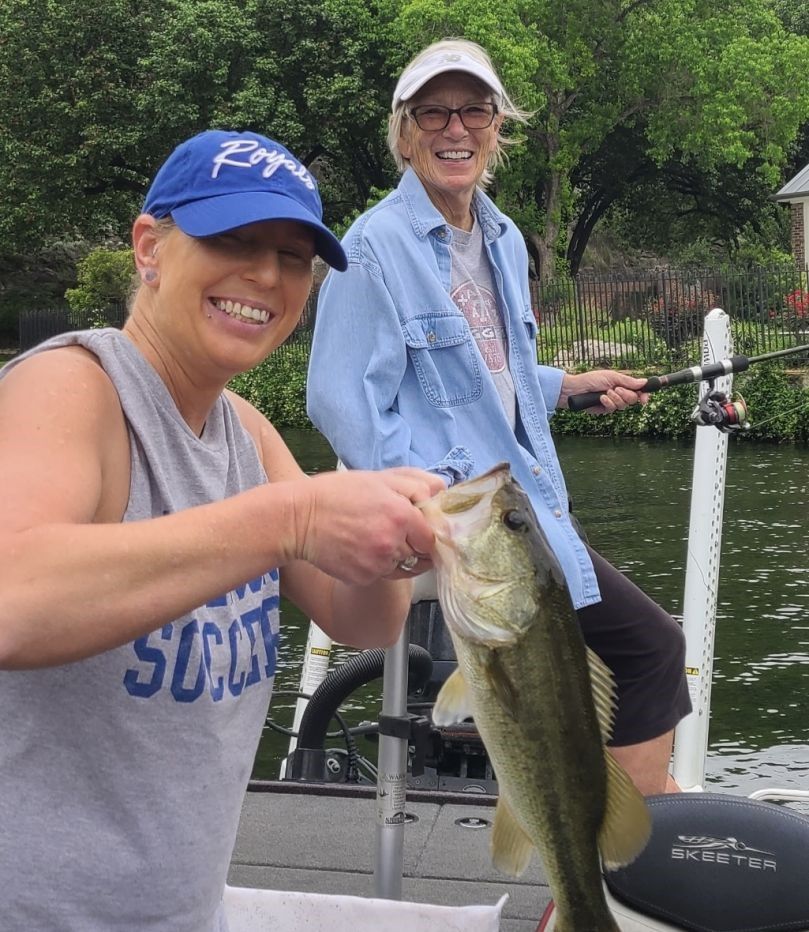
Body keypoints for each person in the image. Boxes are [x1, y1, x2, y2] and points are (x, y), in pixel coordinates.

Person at [0, 129, 445, 931]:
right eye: (233, 239)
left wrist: (395, 541)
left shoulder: (246, 431)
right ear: (149, 247)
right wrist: (295, 517)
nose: (266, 275)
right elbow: (13, 600)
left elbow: (360, 619)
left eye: (294, 258)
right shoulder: (70, 386)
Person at [307, 39, 691, 796]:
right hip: (472, 527)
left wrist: (564, 384)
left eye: (472, 109)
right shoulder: (373, 247)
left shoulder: (504, 238)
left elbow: (486, 372)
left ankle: (610, 843)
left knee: (631, 659)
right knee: (649, 646)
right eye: (434, 112)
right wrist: (433, 503)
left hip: (523, 508)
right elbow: (341, 399)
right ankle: (633, 851)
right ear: (405, 131)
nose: (456, 128)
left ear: (494, 124)